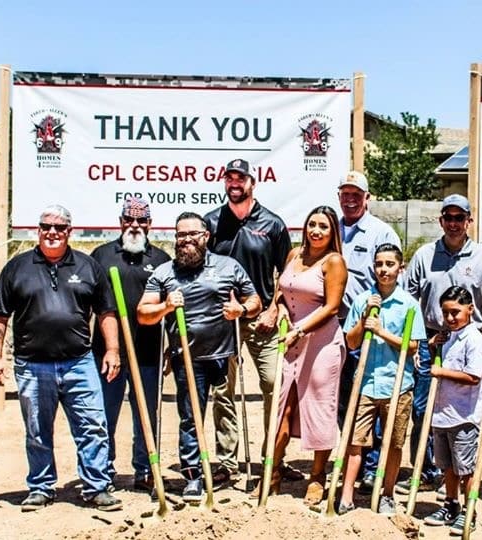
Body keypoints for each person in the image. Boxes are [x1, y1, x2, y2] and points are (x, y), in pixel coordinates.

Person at [0, 205, 122, 512]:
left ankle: (96, 487)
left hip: (80, 363)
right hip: (32, 365)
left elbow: (106, 312)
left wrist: (113, 350)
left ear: (69, 232)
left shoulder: (87, 266)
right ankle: (40, 487)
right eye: (46, 226)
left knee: (93, 426)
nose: (52, 232)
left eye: (59, 227)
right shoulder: (17, 267)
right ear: (38, 229)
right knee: (37, 430)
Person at [136, 212, 261, 502]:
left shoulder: (228, 266)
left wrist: (240, 311)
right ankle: (193, 474)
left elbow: (254, 301)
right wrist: (166, 307)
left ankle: (227, 467)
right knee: (191, 417)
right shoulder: (165, 273)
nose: (186, 241)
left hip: (224, 354)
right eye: (181, 235)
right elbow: (143, 314)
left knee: (226, 412)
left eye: (193, 235)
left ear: (205, 237)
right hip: (187, 358)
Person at [402, 193, 482, 495]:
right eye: (448, 217)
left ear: (469, 222)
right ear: (441, 221)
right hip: (431, 340)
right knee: (423, 409)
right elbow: (409, 301)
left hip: (467, 342)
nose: (454, 223)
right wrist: (421, 341)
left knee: (460, 410)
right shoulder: (424, 255)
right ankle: (424, 470)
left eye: (460, 218)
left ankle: (456, 475)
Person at [204, 158, 294, 485]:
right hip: (221, 321)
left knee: (274, 384)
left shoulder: (272, 224)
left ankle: (274, 458)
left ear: (252, 182)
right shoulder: (211, 223)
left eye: (240, 178)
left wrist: (274, 308)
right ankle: (227, 462)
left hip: (263, 319)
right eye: (229, 178)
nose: (234, 183)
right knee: (223, 389)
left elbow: (288, 273)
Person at [267, 206, 347, 505]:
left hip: (322, 345)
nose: (316, 231)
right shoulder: (294, 255)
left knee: (318, 408)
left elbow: (331, 307)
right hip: (291, 341)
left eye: (323, 227)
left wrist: (299, 329)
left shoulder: (334, 262)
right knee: (283, 407)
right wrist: (281, 309)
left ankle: (317, 477)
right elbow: (282, 290)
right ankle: (272, 473)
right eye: (312, 224)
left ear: (332, 232)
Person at [90, 197, 171, 492]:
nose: (134, 225)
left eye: (141, 220)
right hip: (107, 354)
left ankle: (145, 470)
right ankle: (103, 472)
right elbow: (89, 305)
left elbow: (170, 309)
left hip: (147, 353)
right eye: (129, 219)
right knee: (103, 416)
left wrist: (169, 350)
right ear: (120, 221)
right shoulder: (100, 256)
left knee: (147, 416)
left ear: (150, 224)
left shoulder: (162, 260)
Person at [338, 243, 425, 515]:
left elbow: (412, 346)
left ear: (400, 268)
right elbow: (350, 342)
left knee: (393, 443)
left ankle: (387, 493)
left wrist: (381, 331)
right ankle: (347, 495)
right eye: (379, 264)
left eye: (389, 264)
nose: (383, 270)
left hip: (397, 384)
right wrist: (364, 319)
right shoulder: (363, 299)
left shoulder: (409, 304)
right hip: (365, 383)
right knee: (356, 441)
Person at [336, 170, 402, 493]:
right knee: (344, 397)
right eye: (345, 194)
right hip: (335, 324)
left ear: (367, 198)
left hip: (369, 322)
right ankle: (352, 454)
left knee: (373, 393)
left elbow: (389, 278)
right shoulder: (331, 227)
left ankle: (373, 466)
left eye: (356, 194)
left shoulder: (380, 232)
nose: (350, 199)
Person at [422, 286, 482, 535]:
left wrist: (441, 372)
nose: (450, 318)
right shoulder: (447, 336)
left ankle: (469, 512)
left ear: (470, 309)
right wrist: (433, 346)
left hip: (463, 416)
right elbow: (439, 359)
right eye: (446, 313)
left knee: (465, 468)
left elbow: (473, 377)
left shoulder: (474, 340)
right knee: (447, 466)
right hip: (442, 414)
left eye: (455, 312)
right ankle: (451, 504)